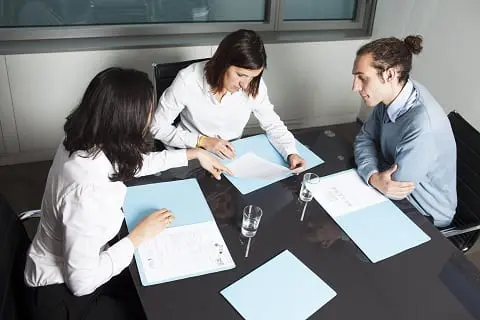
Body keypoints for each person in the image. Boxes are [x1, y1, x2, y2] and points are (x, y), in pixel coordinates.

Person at [24, 67, 231, 319]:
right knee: (153, 303)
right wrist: (137, 237)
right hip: (61, 296)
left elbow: (132, 163)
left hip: (81, 256)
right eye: (147, 111)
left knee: (146, 280)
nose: (149, 118)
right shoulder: (87, 192)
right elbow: (81, 283)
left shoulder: (85, 138)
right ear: (127, 120)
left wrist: (193, 154)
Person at [150, 29, 306, 171]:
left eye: (253, 77)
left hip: (229, 159)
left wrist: (291, 153)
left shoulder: (253, 86)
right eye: (240, 75)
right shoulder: (188, 79)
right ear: (222, 63)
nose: (245, 85)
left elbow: (273, 124)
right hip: (190, 157)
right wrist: (202, 141)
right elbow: (157, 127)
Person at [352, 35, 457, 228]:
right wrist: (373, 175)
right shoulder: (393, 95)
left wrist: (373, 172)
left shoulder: (423, 125)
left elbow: (393, 187)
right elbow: (364, 139)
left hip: (424, 212)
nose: (355, 87)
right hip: (390, 190)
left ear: (390, 75)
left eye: (362, 78)